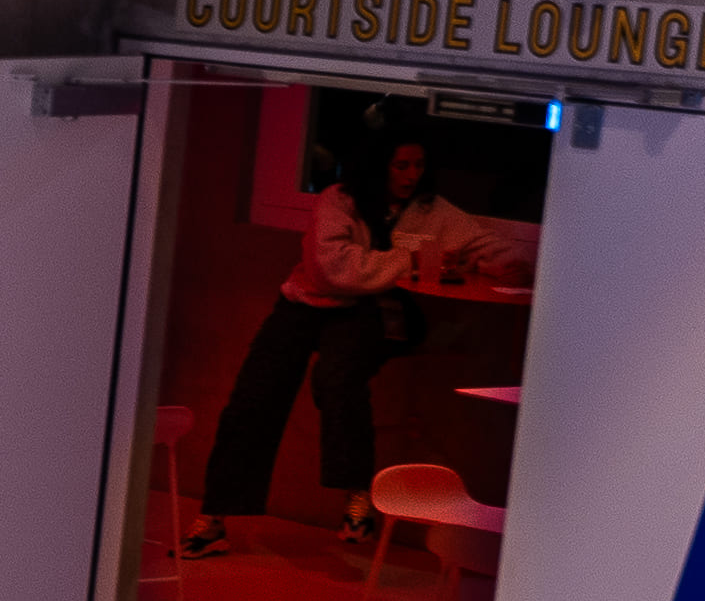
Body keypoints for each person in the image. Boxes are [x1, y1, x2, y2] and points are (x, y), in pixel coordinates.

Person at [184, 129, 536, 558]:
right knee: (253, 399)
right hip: (306, 303)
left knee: (337, 378)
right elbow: (334, 269)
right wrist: (406, 259)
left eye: (418, 165)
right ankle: (215, 516)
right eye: (400, 164)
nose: (411, 174)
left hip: (374, 311)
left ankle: (357, 500)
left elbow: (479, 243)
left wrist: (512, 266)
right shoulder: (338, 199)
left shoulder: (429, 209)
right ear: (379, 164)